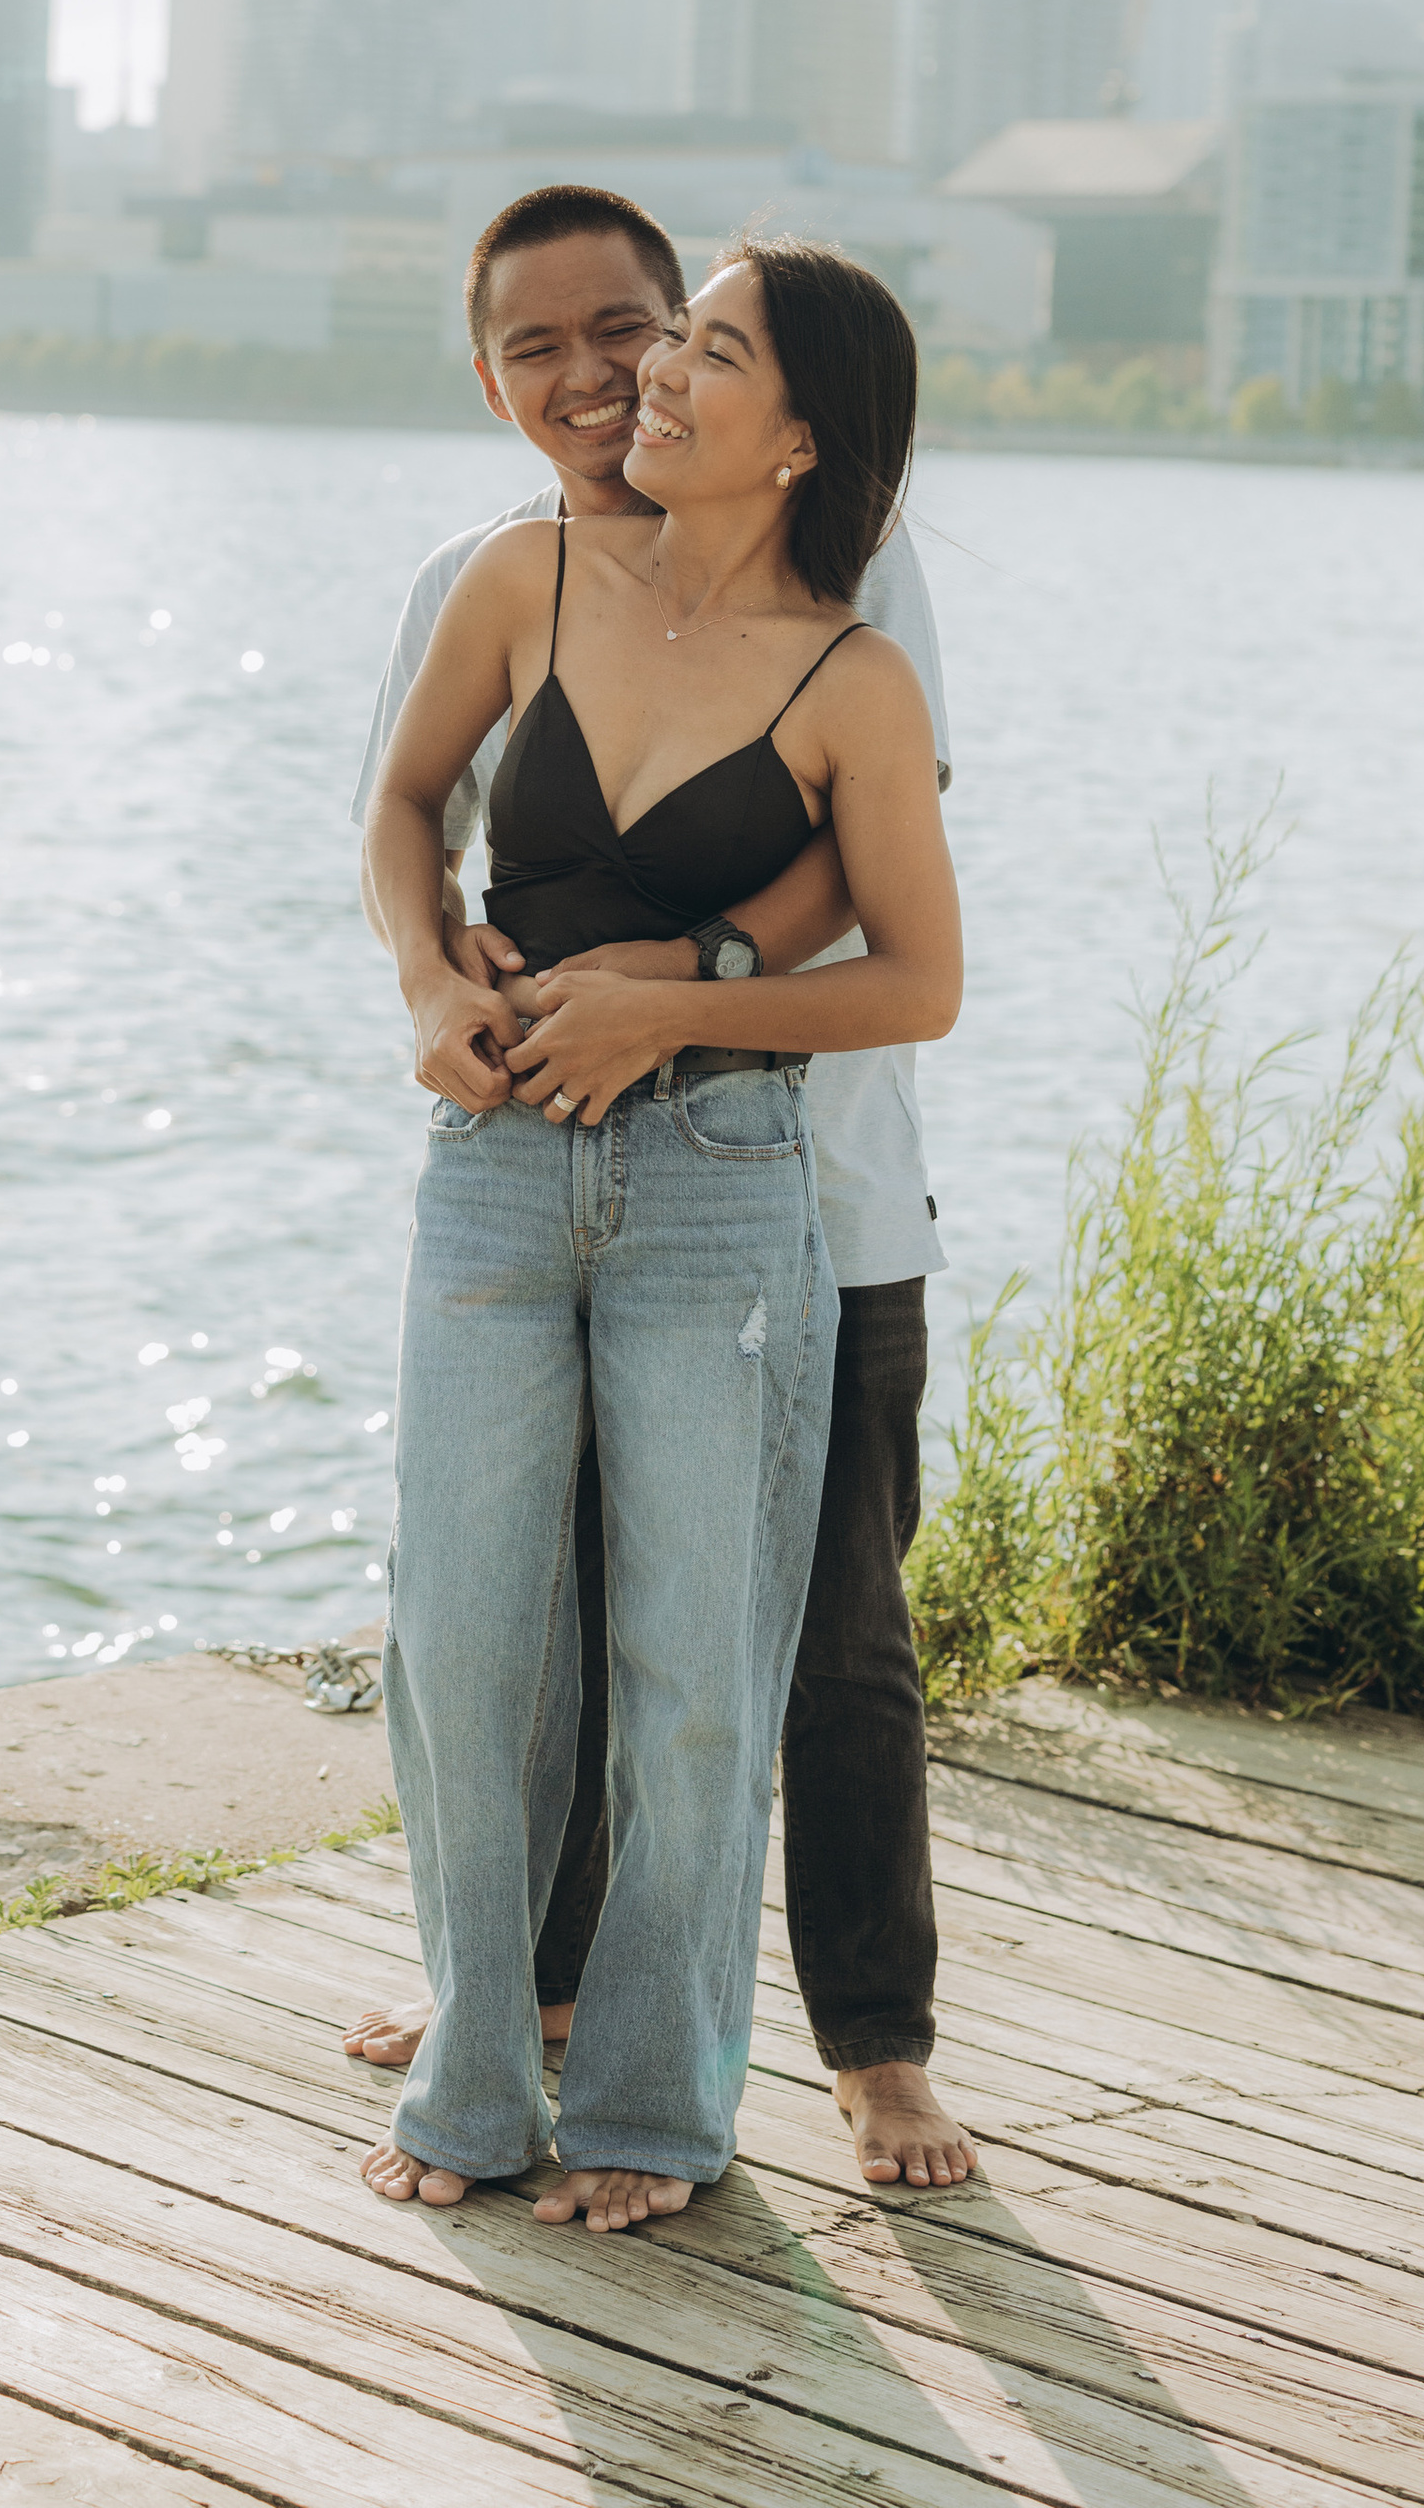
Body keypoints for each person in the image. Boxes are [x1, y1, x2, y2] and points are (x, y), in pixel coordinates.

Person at [349, 189, 974, 2204]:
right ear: (488, 381)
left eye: (651, 331)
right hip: (516, 1163)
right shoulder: (500, 572)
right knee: (490, 1629)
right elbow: (405, 817)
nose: (609, 376)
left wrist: (675, 991)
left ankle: (861, 2054)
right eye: (540, 348)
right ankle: (518, 2005)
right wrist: (437, 984)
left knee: (808, 1646)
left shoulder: (849, 585)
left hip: (792, 1186)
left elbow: (875, 875)